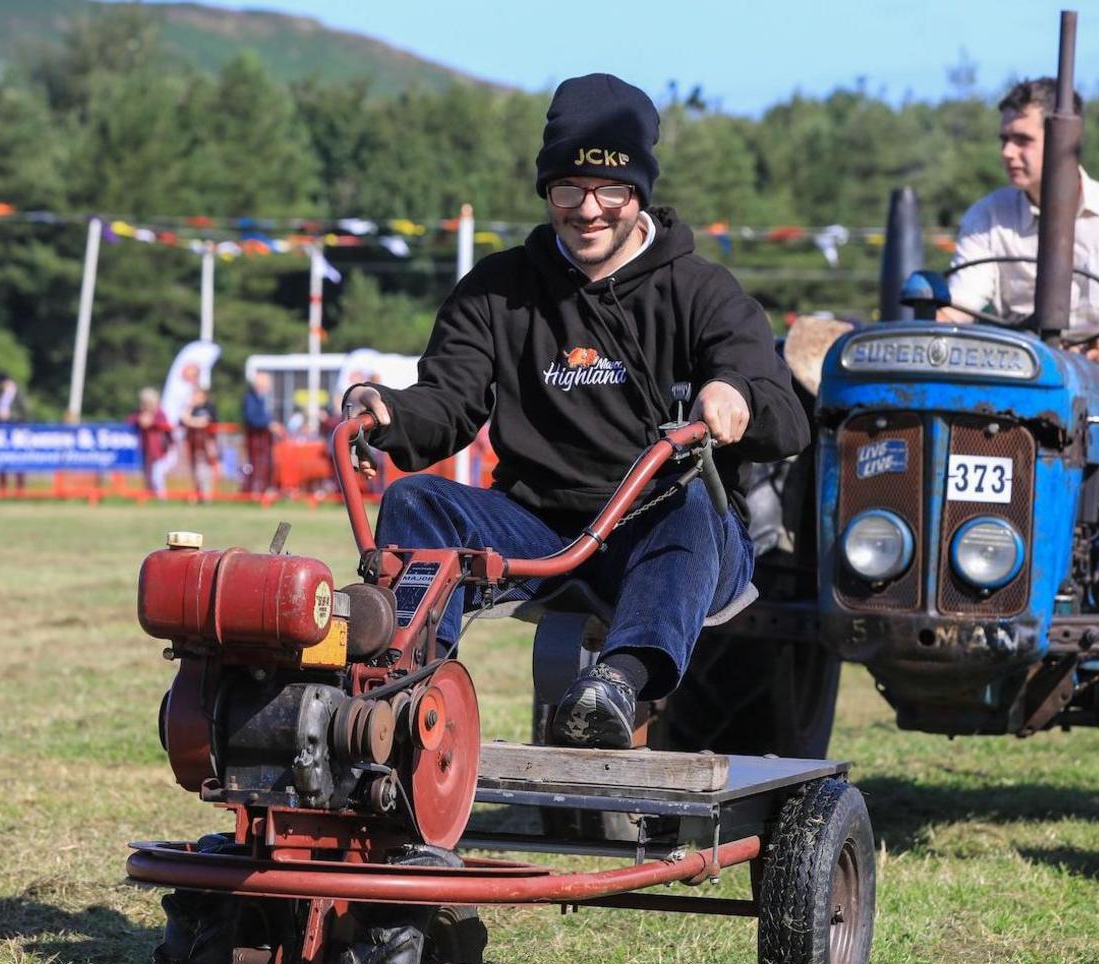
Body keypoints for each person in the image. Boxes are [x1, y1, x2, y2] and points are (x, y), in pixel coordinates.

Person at [344, 73, 809, 749]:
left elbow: (783, 411)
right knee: (417, 501)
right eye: (569, 187)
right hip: (541, 525)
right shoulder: (500, 290)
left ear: (639, 192)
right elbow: (447, 402)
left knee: (693, 506)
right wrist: (386, 410)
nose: (589, 209)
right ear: (547, 191)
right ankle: (397, 688)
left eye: (611, 189)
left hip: (667, 527)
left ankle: (616, 685)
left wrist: (734, 394)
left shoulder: (700, 289)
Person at [940, 77, 1099, 580]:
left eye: (1022, 140)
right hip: (1024, 375)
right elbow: (958, 310)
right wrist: (939, 322)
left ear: (1063, 142)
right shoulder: (989, 217)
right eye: (1003, 139)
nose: (1007, 152)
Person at [130, 387, 176, 498]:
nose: (146, 405)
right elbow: (129, 421)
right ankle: (151, 497)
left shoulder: (160, 413)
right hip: (148, 452)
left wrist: (152, 422)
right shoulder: (139, 414)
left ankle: (161, 499)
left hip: (163, 451)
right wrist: (139, 420)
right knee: (148, 476)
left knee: (157, 475)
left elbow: (167, 427)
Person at [0, 373, 30, 495]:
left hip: (17, 433)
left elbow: (26, 413)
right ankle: (2, 490)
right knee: (2, 462)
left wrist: (11, 416)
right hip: (2, 433)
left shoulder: (18, 394)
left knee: (18, 462)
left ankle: (20, 491)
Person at [240, 371, 276, 494]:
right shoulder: (250, 398)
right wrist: (268, 424)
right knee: (255, 466)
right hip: (255, 441)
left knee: (264, 465)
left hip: (262, 442)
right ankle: (252, 492)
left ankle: (262, 490)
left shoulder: (262, 399)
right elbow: (251, 418)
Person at [180, 386, 217, 503]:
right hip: (193, 445)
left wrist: (190, 421)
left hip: (205, 445)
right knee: (195, 470)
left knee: (205, 470)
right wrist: (189, 407)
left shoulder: (209, 408)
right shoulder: (193, 409)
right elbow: (183, 419)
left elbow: (204, 422)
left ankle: (206, 496)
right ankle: (197, 494)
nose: (194, 398)